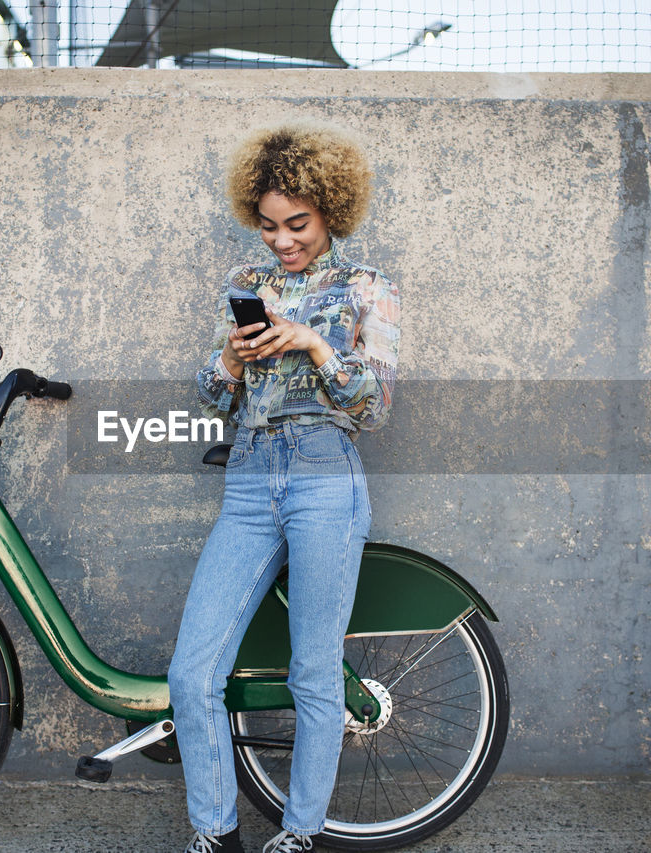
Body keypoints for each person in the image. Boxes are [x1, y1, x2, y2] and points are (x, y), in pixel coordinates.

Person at [168, 122, 400, 853]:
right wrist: (234, 361)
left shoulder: (367, 288)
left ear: (330, 210)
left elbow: (377, 404)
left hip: (325, 477)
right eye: (268, 226)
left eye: (296, 224)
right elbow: (211, 395)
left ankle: (300, 833)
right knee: (192, 670)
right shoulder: (244, 286)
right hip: (250, 478)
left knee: (312, 669)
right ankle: (216, 832)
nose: (282, 240)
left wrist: (313, 341)